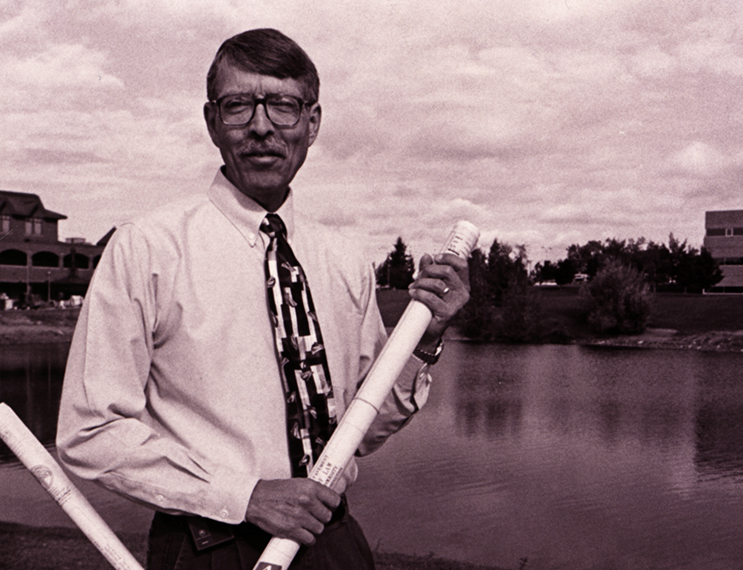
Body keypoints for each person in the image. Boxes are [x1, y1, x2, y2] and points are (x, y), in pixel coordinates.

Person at [56, 28, 469, 570]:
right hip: (210, 548)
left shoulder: (343, 258)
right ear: (211, 122)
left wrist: (425, 341)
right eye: (238, 106)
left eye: (283, 106)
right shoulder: (147, 248)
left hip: (334, 540)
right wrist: (243, 495)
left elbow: (360, 431)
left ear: (312, 122)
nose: (260, 126)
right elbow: (90, 432)